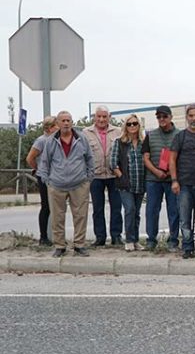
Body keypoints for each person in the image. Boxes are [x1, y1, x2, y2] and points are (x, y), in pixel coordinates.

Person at [37, 111, 94, 257]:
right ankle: (60, 246)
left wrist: (88, 178)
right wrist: (47, 180)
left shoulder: (81, 138)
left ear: (72, 122)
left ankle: (79, 245)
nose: (66, 123)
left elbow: (89, 158)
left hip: (79, 184)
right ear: (58, 123)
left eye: (69, 120)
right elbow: (44, 162)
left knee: (80, 216)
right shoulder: (50, 141)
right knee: (57, 217)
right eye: (63, 120)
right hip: (56, 185)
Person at [169, 104, 195, 259]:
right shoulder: (180, 136)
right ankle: (187, 247)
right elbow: (172, 160)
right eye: (191, 116)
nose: (194, 119)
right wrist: (174, 180)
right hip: (184, 184)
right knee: (185, 220)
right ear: (187, 117)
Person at [82, 105, 123, 247]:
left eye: (104, 116)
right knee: (98, 209)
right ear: (94, 117)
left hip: (114, 175)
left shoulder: (118, 131)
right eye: (99, 116)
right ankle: (100, 237)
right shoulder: (86, 132)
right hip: (95, 176)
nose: (101, 119)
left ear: (109, 117)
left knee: (116, 207)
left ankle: (116, 236)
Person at [142, 105, 180, 251]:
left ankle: (173, 240)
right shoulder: (150, 135)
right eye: (159, 117)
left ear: (170, 117)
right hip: (153, 179)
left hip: (172, 179)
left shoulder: (180, 134)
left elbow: (181, 158)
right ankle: (151, 239)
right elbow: (145, 158)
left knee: (174, 211)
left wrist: (172, 173)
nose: (162, 119)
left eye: (164, 116)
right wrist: (156, 172)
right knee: (151, 210)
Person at [111, 114, 146, 252]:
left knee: (136, 213)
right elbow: (113, 163)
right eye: (129, 124)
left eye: (135, 123)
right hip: (125, 184)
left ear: (139, 125)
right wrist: (121, 177)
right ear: (125, 126)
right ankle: (129, 240)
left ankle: (136, 240)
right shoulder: (119, 142)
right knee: (129, 210)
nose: (132, 126)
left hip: (140, 183)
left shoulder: (144, 142)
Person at [25, 116, 58, 246]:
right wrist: (38, 168)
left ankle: (56, 236)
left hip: (55, 177)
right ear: (50, 127)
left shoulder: (55, 140)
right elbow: (30, 158)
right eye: (56, 125)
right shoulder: (41, 140)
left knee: (55, 207)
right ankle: (43, 237)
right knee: (46, 206)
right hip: (44, 177)